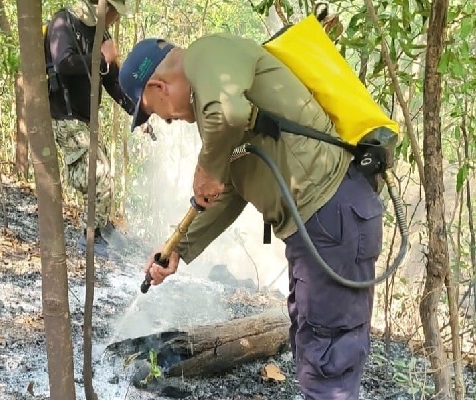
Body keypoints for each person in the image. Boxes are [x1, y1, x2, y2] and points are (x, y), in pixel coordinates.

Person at [118, 34, 384, 399]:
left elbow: (228, 116)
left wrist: (207, 166)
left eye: (154, 112)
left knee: (327, 364)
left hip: (331, 214)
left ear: (158, 86)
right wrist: (180, 248)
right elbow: (227, 191)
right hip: (320, 227)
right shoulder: (216, 100)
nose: (167, 120)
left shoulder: (206, 55)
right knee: (314, 349)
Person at [44, 0, 137, 242]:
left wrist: (138, 112)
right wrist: (100, 56)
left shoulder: (100, 32)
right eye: (114, 11)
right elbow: (63, 63)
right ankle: (91, 237)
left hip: (87, 121)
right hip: (65, 117)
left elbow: (113, 81)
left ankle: (100, 230)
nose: (116, 18)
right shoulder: (63, 22)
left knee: (106, 175)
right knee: (98, 174)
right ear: (102, 5)